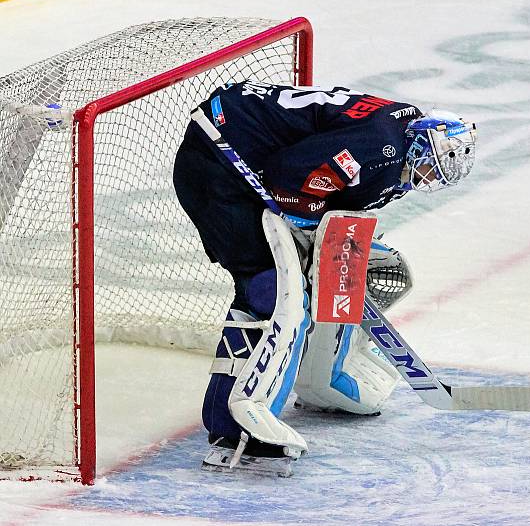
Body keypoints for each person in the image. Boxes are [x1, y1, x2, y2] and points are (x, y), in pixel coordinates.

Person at [172, 82, 477, 476]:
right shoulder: (380, 147)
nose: (427, 176)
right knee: (267, 291)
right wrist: (310, 229)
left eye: (438, 173)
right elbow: (288, 177)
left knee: (306, 279)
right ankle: (232, 429)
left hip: (241, 145)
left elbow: (328, 188)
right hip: (219, 157)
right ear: (419, 142)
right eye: (430, 163)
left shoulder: (397, 144)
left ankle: (323, 380)